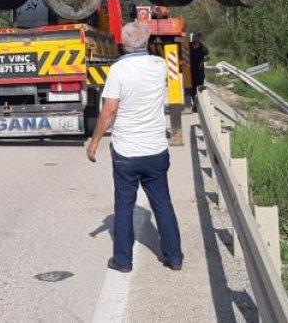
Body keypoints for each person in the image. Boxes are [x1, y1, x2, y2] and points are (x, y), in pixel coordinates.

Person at [86, 21, 183, 273]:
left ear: (123, 43)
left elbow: (110, 110)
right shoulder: (159, 66)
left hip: (127, 152)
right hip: (155, 150)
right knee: (162, 203)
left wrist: (94, 141)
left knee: (124, 206)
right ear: (148, 41)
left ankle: (123, 260)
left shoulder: (119, 71)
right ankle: (174, 257)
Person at [189, 33, 210, 98]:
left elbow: (208, 57)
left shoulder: (203, 47)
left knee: (200, 85)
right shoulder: (188, 45)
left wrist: (202, 62)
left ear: (199, 38)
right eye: (193, 37)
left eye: (195, 37)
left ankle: (200, 99)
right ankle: (193, 101)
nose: (193, 39)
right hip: (190, 69)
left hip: (199, 70)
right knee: (192, 87)